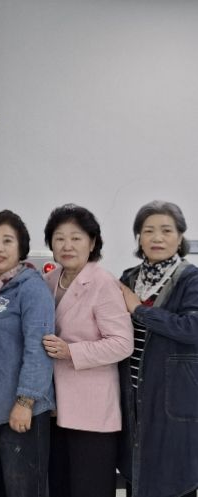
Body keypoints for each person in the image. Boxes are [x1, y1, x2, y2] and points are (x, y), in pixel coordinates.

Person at [41, 204, 133, 497]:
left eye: (76, 238)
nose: (67, 245)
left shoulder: (103, 282)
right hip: (55, 407)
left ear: (92, 243)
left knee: (90, 488)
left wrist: (72, 352)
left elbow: (122, 343)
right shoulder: (48, 281)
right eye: (59, 238)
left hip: (92, 410)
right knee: (59, 487)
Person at [0, 209, 54, 497]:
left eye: (7, 241)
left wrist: (25, 401)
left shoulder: (31, 288)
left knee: (23, 490)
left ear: (21, 247)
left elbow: (39, 348)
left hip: (20, 412)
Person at [119, 201, 198, 497]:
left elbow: (191, 329)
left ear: (180, 238)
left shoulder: (191, 279)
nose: (157, 238)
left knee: (175, 480)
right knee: (137, 476)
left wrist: (139, 310)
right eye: (148, 231)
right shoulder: (128, 279)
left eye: (166, 230)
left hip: (173, 400)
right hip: (132, 397)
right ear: (139, 238)